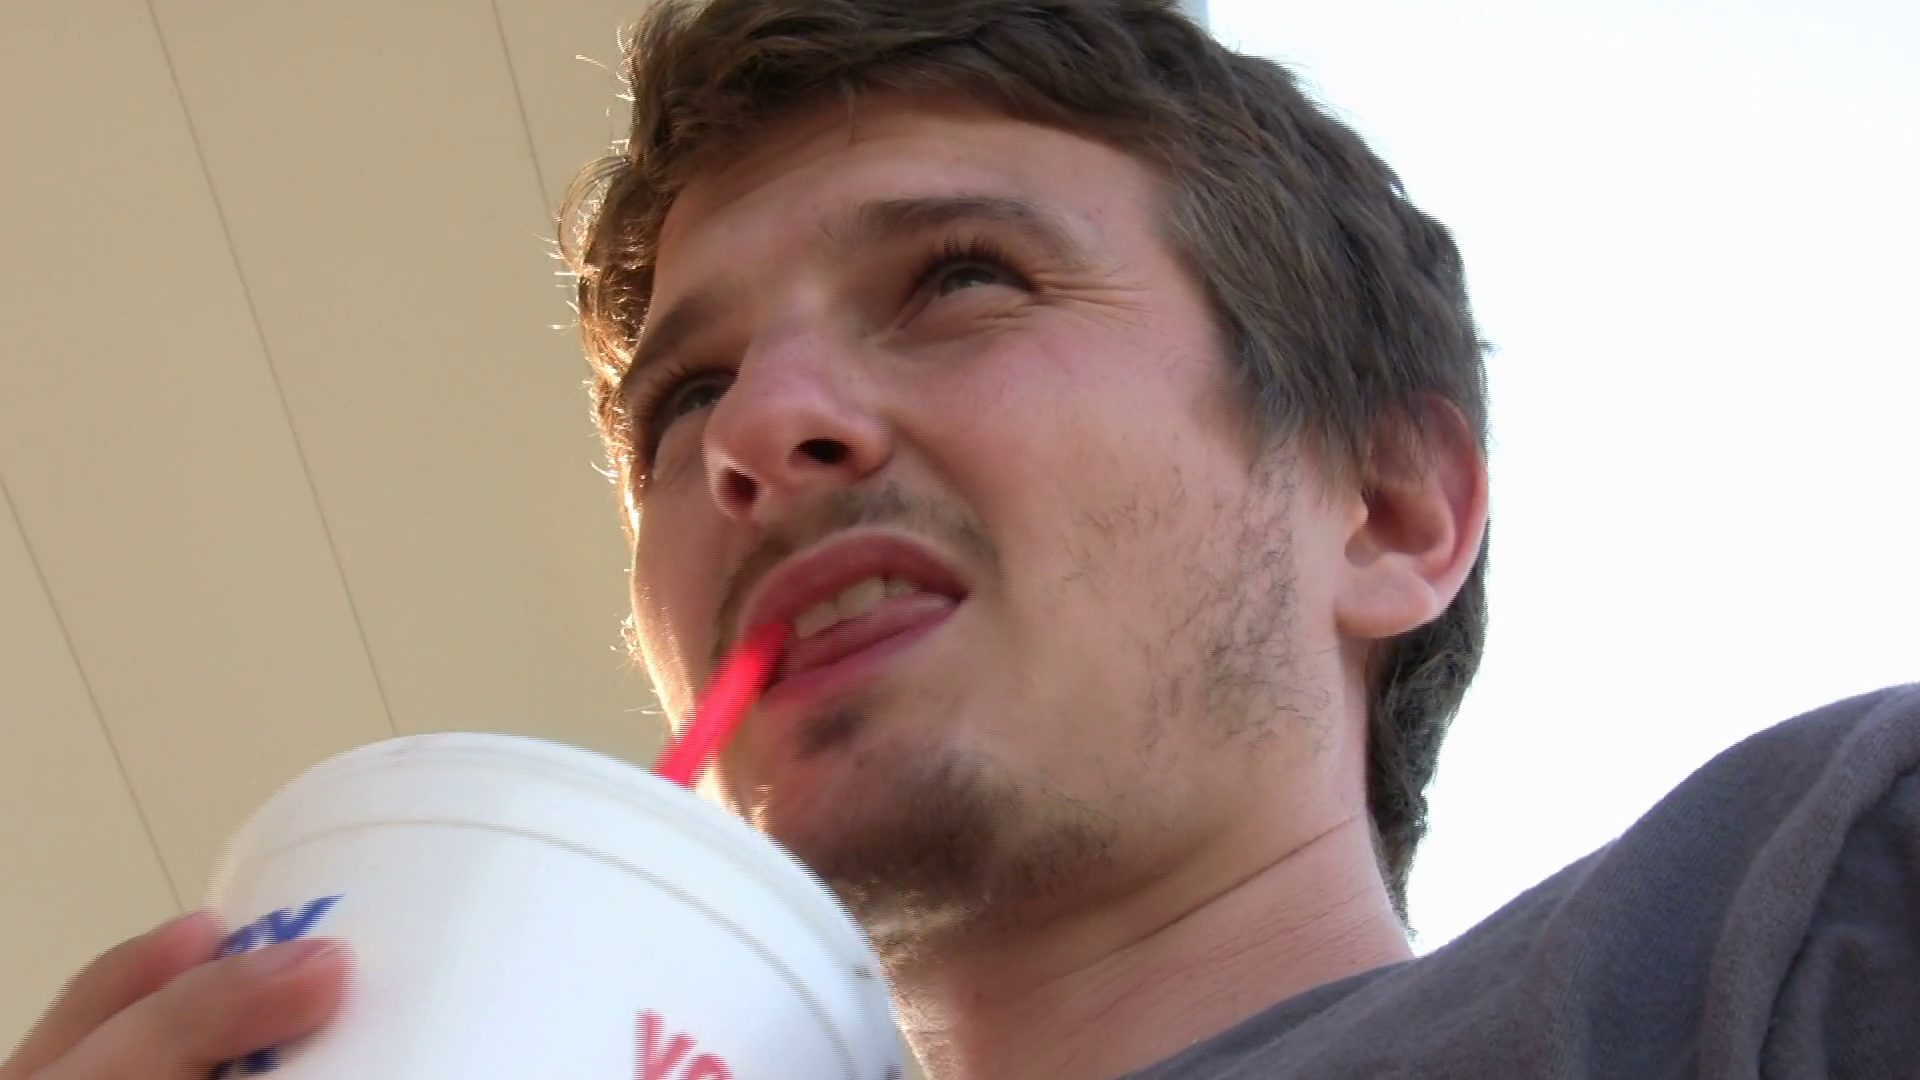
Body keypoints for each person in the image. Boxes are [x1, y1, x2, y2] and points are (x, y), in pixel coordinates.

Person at [6, 1, 1917, 1078]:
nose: (757, 433)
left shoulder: (1802, 915)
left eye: (960, 279)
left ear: (1394, 509)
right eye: (686, 403)